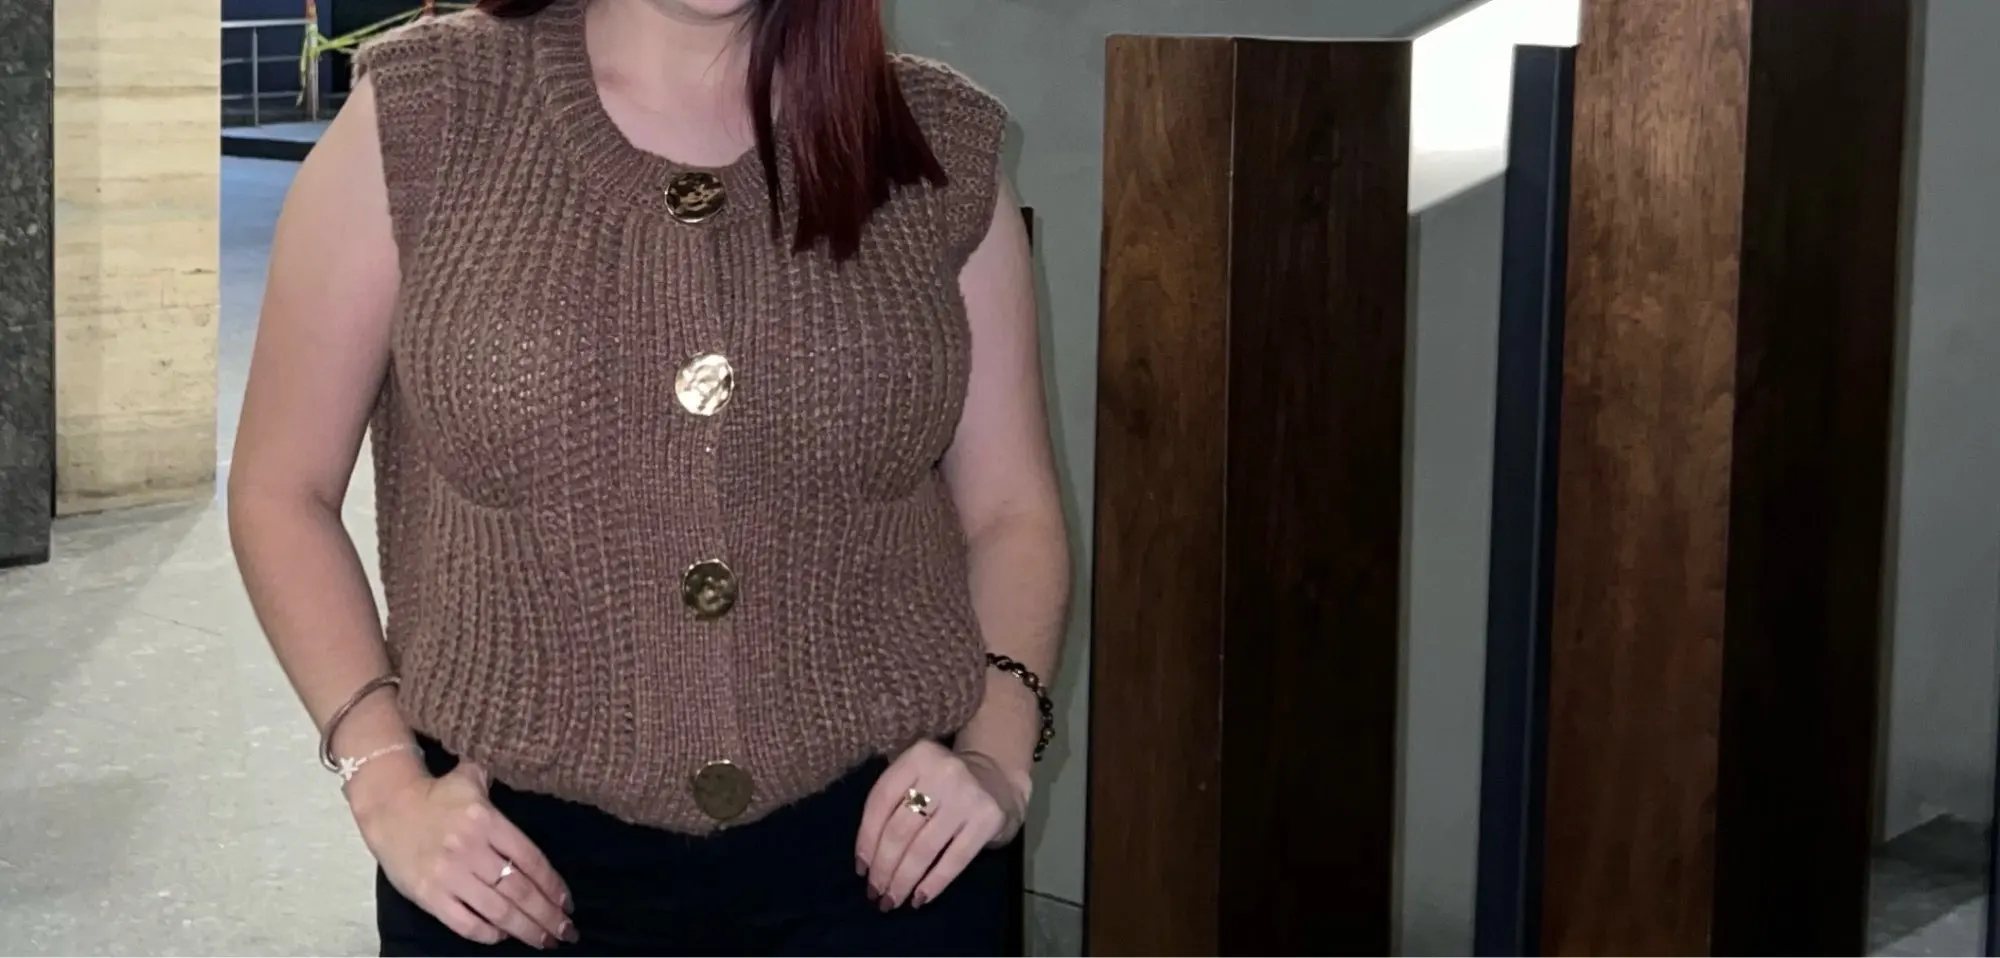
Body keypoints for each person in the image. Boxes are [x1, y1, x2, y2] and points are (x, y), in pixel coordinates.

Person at [226, 0, 1069, 952]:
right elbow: (282, 489)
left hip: (892, 865)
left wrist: (997, 754)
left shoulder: (933, 140)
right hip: (505, 873)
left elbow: (1012, 511)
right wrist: (383, 781)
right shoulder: (428, 107)